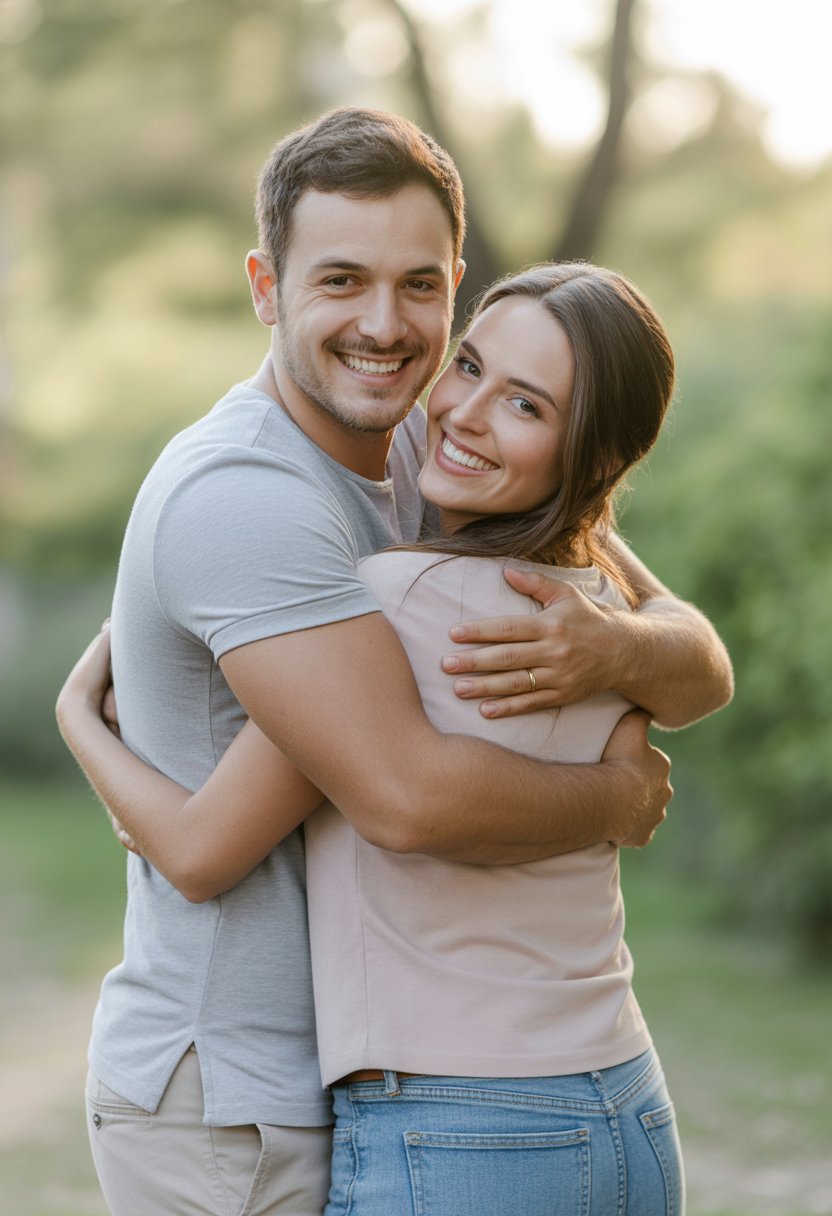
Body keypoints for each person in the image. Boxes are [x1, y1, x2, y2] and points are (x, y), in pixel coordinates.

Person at [57, 108, 732, 1216]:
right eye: (340, 281)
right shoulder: (250, 501)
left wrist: (611, 641)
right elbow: (402, 795)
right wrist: (613, 791)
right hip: (236, 1098)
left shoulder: (441, 443)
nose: (385, 324)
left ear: (456, 286)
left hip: (385, 1082)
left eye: (419, 285)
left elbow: (694, 654)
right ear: (266, 288)